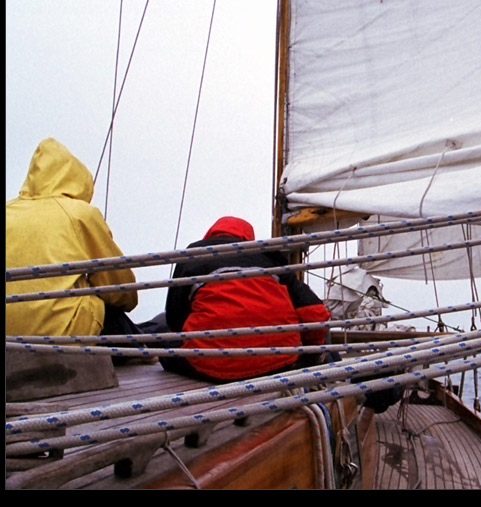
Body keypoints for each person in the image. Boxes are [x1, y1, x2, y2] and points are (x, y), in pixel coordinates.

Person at [159, 216, 332, 382]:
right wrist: (312, 352)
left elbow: (175, 317)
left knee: (164, 347)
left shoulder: (193, 254)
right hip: (278, 362)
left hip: (212, 366)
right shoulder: (270, 257)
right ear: (248, 238)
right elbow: (315, 313)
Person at [6, 138, 139, 338]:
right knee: (105, 308)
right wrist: (127, 302)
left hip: (9, 336)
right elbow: (118, 287)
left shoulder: (9, 211)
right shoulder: (79, 214)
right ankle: (141, 350)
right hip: (63, 333)